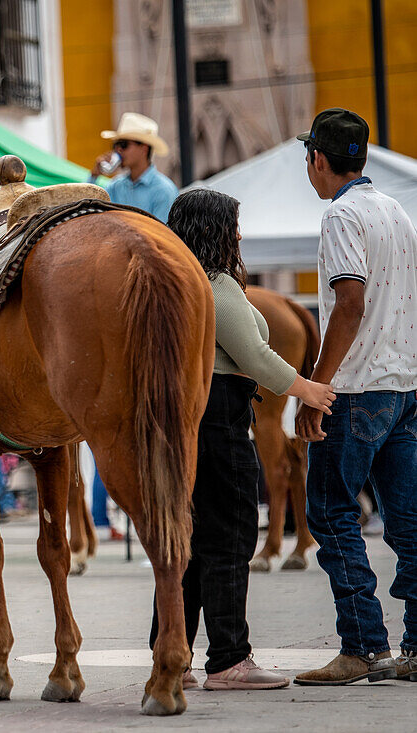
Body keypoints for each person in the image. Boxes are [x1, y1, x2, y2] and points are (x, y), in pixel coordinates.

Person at [150, 188, 336, 690]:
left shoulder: (170, 283)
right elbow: (254, 357)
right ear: (212, 230)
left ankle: (172, 655)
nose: (238, 234)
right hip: (220, 420)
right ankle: (229, 659)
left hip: (182, 424)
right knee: (230, 537)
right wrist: (309, 390)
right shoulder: (214, 285)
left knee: (183, 542)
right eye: (231, 224)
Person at [292, 108, 417, 686]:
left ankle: (363, 646)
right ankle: (414, 646)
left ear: (319, 158)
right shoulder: (395, 210)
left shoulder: (341, 216)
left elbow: (350, 303)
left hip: (358, 388)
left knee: (333, 513)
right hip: (405, 386)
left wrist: (318, 387)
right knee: (409, 521)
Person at [90, 112, 179, 223]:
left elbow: (162, 236)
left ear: (144, 148)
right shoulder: (116, 186)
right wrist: (94, 175)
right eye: (115, 145)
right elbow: (89, 210)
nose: (118, 150)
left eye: (123, 144)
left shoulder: (164, 190)